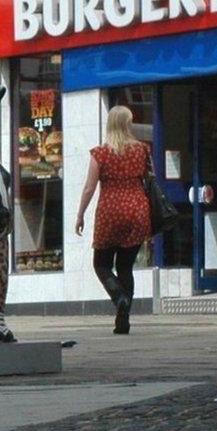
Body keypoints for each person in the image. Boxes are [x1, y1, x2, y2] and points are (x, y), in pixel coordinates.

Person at [74, 104, 155, 335]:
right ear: (128, 124)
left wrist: (80, 214)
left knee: (101, 265)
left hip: (110, 212)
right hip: (137, 211)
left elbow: (90, 188)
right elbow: (151, 179)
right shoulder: (142, 150)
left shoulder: (100, 153)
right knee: (125, 267)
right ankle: (123, 321)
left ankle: (119, 297)